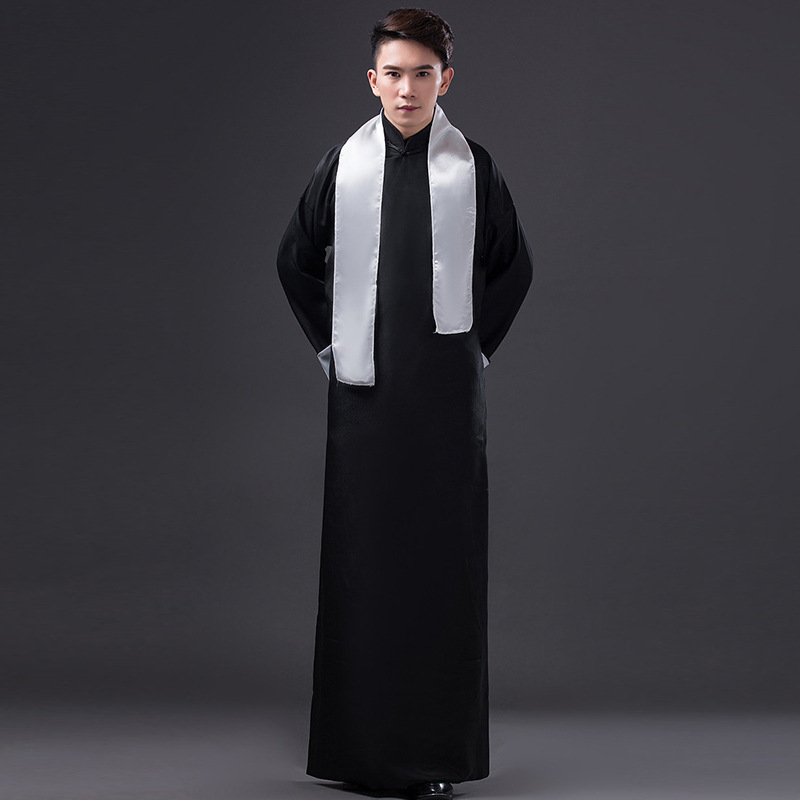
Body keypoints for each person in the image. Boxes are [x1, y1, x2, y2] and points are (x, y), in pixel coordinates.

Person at [277, 8, 534, 800]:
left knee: (439, 569)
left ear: (445, 80)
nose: (407, 88)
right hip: (365, 400)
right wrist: (332, 348)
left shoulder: (473, 167)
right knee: (365, 566)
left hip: (446, 403)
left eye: (423, 73)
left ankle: (433, 760)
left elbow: (515, 267)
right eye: (393, 73)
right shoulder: (342, 165)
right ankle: (359, 753)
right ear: (372, 79)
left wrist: (472, 352)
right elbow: (294, 260)